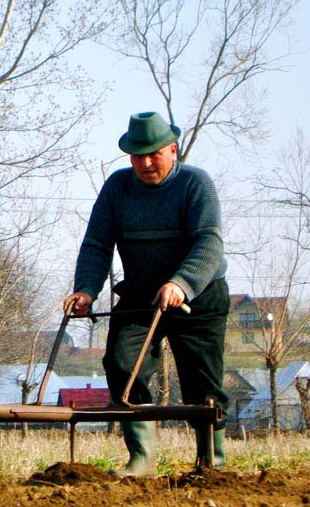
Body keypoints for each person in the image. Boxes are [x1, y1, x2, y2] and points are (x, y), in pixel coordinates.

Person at [63, 111, 229, 477]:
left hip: (198, 296)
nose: (147, 162)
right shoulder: (117, 189)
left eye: (154, 153)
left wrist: (181, 284)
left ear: (173, 149)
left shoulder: (195, 185)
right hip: (141, 295)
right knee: (122, 363)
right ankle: (142, 458)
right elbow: (97, 244)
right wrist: (87, 290)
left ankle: (211, 462)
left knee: (202, 381)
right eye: (138, 156)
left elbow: (209, 243)